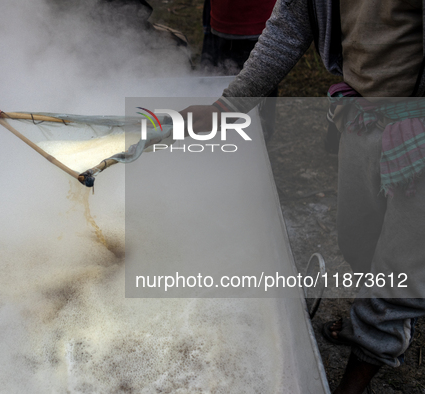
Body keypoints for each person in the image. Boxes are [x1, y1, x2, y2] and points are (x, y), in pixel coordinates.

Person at [182, 1, 425, 393]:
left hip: (419, 134)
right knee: (359, 243)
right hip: (363, 117)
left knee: (400, 281)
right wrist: (228, 106)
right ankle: (363, 327)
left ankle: (355, 379)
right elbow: (288, 28)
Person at [200, 0, 278, 140]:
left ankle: (260, 144)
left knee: (258, 117)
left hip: (261, 28)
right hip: (219, 23)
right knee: (211, 93)